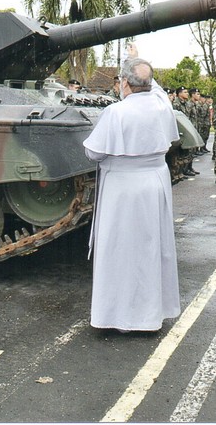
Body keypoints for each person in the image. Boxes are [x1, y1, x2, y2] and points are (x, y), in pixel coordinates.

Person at [82, 57, 181, 332]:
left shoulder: (116, 112)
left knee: (121, 250)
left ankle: (120, 317)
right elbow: (157, 91)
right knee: (151, 248)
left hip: (123, 189)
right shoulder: (162, 104)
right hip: (155, 183)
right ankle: (151, 315)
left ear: (124, 83)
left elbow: (94, 152)